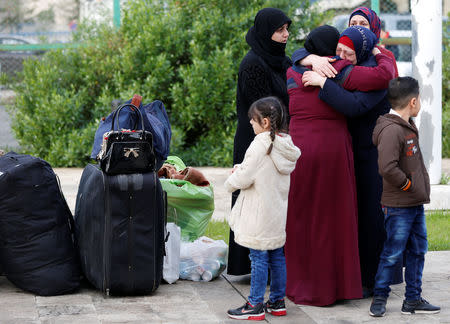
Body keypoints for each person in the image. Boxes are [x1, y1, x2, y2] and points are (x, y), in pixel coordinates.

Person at [285, 25, 394, 306]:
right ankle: (336, 285)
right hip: (333, 148)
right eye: (338, 47)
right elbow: (382, 77)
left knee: (300, 216)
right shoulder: (341, 70)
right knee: (334, 219)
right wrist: (382, 55)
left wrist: (306, 59)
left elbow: (294, 60)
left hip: (299, 148)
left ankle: (298, 283)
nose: (341, 53)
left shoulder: (293, 71)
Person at [228, 7, 292, 276]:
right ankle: (251, 265)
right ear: (267, 32)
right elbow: (261, 109)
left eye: (287, 29)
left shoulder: (281, 60)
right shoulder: (253, 63)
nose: (286, 35)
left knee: (270, 204)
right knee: (254, 201)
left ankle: (270, 266)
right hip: (256, 139)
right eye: (280, 30)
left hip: (274, 138)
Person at [369, 77, 440, 317]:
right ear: (412, 101)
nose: (419, 103)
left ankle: (413, 299)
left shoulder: (407, 125)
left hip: (414, 203)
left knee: (418, 250)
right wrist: (409, 184)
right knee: (392, 252)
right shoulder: (392, 130)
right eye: (419, 99)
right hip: (399, 205)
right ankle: (379, 297)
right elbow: (387, 167)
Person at [225, 97, 301, 321]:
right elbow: (262, 169)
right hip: (276, 212)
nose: (250, 122)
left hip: (258, 213)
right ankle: (277, 301)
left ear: (265, 122)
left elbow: (247, 174)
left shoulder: (260, 143)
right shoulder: (284, 144)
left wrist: (231, 181)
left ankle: (255, 303)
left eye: (253, 119)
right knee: (277, 255)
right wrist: (243, 167)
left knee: (258, 257)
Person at [300, 6, 399, 79]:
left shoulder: (385, 55)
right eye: (353, 24)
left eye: (363, 24)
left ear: (373, 27)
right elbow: (301, 52)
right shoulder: (343, 48)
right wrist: (313, 59)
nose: (357, 27)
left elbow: (394, 87)